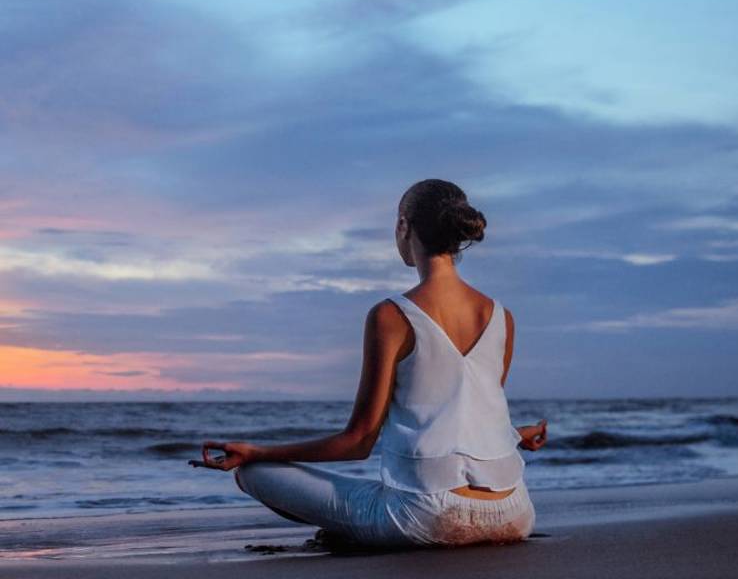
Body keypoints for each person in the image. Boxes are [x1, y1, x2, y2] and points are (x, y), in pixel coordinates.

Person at [189, 178, 548, 550]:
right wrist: (514, 434)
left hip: (428, 519)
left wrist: (257, 452)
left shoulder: (391, 316)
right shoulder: (501, 317)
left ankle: (354, 530)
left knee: (254, 474)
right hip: (514, 512)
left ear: (403, 226)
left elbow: (358, 441)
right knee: (383, 491)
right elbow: (465, 411)